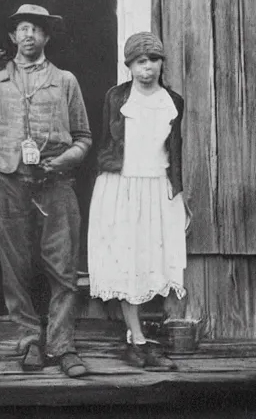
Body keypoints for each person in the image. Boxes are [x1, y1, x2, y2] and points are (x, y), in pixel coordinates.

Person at [0, 4, 92, 378]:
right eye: (22, 28)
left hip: (55, 185)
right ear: (13, 36)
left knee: (63, 269)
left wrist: (65, 161)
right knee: (14, 269)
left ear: (47, 36)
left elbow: (83, 138)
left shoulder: (65, 81)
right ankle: (29, 340)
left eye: (37, 29)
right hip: (7, 183)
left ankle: (63, 346)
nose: (29, 35)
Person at [87, 32, 187, 370]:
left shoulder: (173, 100)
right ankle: (138, 338)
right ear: (129, 66)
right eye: (140, 61)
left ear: (161, 64)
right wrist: (107, 184)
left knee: (151, 258)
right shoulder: (116, 98)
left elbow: (175, 150)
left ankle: (138, 334)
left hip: (158, 187)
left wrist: (180, 191)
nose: (148, 68)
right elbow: (105, 142)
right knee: (125, 258)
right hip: (121, 185)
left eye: (154, 60)